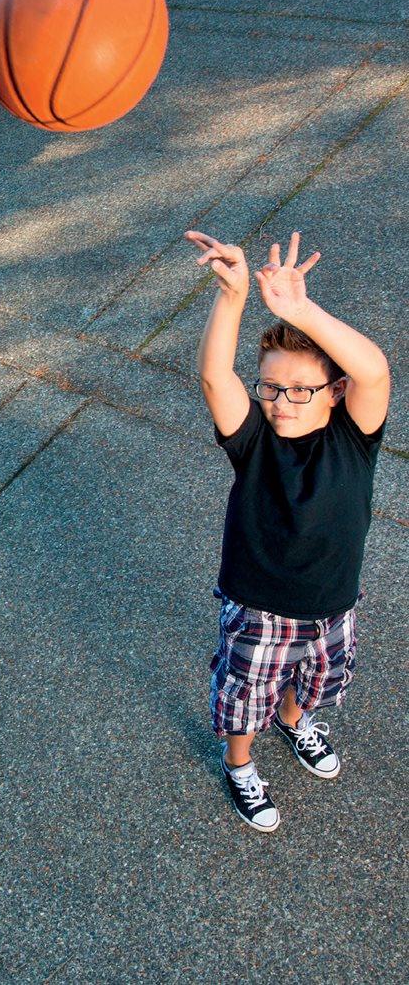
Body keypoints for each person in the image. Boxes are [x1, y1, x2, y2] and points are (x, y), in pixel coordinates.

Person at [185, 229, 390, 831]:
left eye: (302, 390)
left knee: (316, 677)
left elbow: (374, 371)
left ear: (335, 394)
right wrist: (233, 297)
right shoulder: (253, 442)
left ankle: (295, 721)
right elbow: (216, 377)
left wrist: (300, 310)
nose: (283, 400)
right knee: (245, 695)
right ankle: (240, 763)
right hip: (260, 607)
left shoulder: (353, 440)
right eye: (272, 387)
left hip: (333, 602)